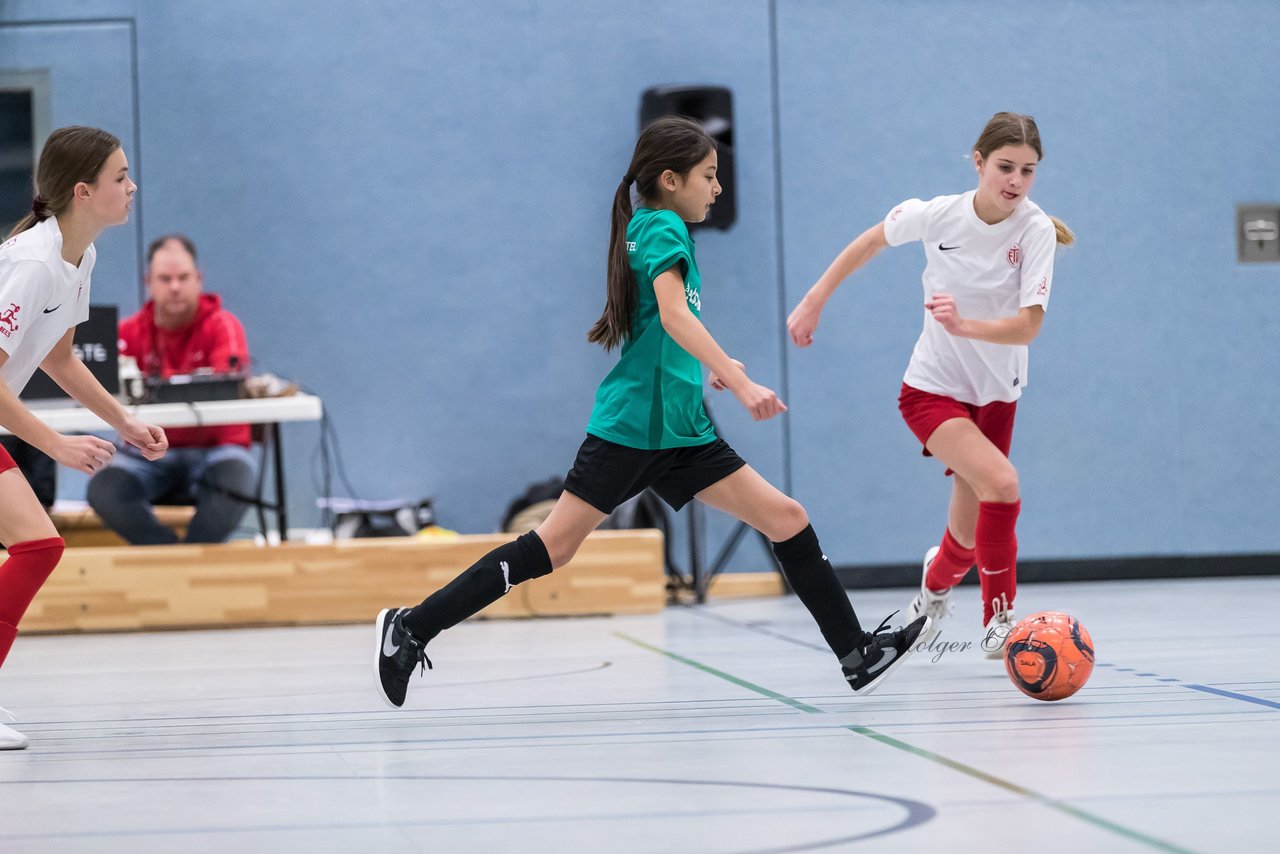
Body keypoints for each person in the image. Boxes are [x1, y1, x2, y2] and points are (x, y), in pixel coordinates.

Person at [374, 116, 930, 709]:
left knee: (785, 516)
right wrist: (740, 381)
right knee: (553, 547)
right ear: (670, 179)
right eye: (709, 176)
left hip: (680, 428)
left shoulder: (649, 226)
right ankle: (411, 627)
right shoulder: (663, 226)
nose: (718, 188)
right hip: (636, 428)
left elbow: (666, 329)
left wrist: (706, 368)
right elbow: (672, 316)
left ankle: (855, 654)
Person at [787, 112, 1074, 660]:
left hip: (998, 394)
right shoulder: (939, 215)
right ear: (979, 162)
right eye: (1005, 167)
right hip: (932, 389)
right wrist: (814, 298)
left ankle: (936, 584)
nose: (1015, 180)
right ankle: (999, 620)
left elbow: (1030, 325)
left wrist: (968, 325)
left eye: (1028, 171)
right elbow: (870, 242)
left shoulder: (1034, 230)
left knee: (966, 543)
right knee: (1003, 483)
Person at [0, 127, 168, 749]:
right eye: (120, 176)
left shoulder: (79, 257)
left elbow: (60, 358)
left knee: (37, 548)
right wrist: (57, 446)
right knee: (38, 547)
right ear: (83, 190)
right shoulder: (33, 264)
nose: (131, 186)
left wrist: (122, 422)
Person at [86, 234, 257, 545]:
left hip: (215, 450)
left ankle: (193, 561)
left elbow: (228, 386)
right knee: (103, 487)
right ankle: (168, 555)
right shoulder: (126, 333)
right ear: (149, 281)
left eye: (183, 278)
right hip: (145, 453)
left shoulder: (224, 327)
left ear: (199, 279)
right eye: (166, 279)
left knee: (239, 474)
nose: (175, 287)